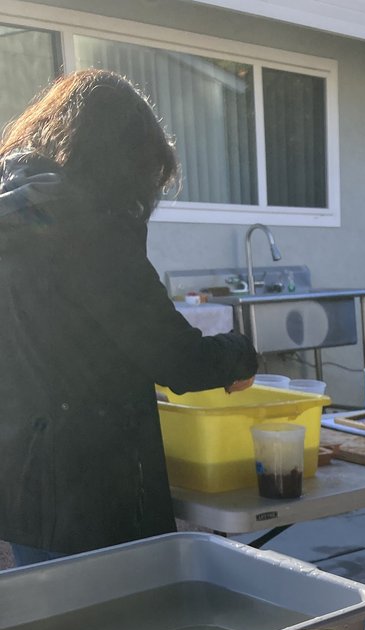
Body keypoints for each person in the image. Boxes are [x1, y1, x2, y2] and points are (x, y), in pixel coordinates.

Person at [0, 69, 258, 564]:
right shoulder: (90, 227)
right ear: (122, 164)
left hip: (24, 485)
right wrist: (240, 354)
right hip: (93, 491)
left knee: (60, 629)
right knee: (119, 629)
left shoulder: (14, 217)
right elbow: (176, 358)